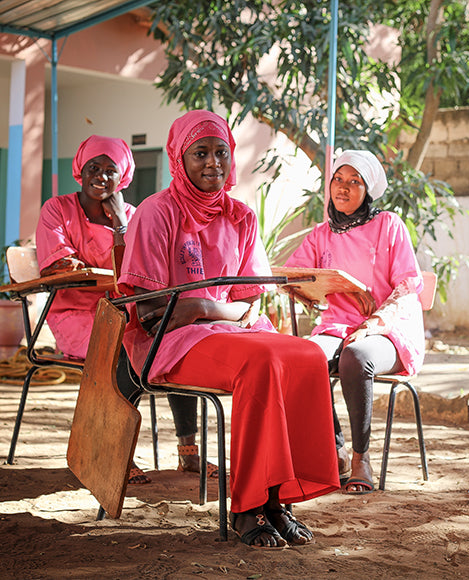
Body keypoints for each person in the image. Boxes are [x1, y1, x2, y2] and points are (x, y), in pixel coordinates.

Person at [118, 110, 339, 547]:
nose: (212, 163)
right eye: (200, 153)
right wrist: (213, 310)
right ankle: (247, 506)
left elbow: (250, 299)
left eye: (221, 152)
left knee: (308, 355)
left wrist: (201, 305)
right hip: (169, 342)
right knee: (260, 361)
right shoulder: (155, 212)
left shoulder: (241, 215)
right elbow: (149, 308)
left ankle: (278, 497)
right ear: (179, 159)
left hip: (232, 327)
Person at [35, 135, 210, 483]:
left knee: (172, 340)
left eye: (109, 171)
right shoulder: (58, 209)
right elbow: (59, 266)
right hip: (76, 315)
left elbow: (144, 269)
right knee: (123, 352)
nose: (100, 177)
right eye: (92, 169)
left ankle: (188, 453)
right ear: (79, 172)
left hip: (125, 311)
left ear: (124, 177)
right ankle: (116, 453)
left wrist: (120, 227)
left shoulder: (132, 215)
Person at [284, 150, 425, 495]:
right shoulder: (321, 234)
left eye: (354, 182)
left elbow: (408, 285)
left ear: (368, 190)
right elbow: (294, 276)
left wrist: (375, 320)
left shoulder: (388, 225)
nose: (343, 188)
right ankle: (336, 450)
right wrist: (309, 290)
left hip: (389, 331)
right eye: (338, 179)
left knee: (356, 357)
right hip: (337, 327)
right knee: (304, 356)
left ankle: (362, 458)